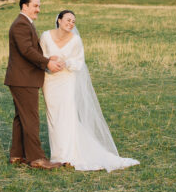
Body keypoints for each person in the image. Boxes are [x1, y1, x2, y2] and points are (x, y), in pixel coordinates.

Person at [39, 9, 139, 172]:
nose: (70, 23)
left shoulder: (76, 40)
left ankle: (66, 155)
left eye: (73, 22)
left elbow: (79, 62)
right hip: (50, 80)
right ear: (59, 20)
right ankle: (57, 153)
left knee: (67, 115)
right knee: (53, 116)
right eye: (68, 20)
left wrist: (66, 62)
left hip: (67, 79)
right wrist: (49, 62)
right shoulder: (45, 36)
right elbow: (40, 55)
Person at [4, 0, 67, 169]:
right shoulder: (21, 25)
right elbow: (26, 51)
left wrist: (47, 57)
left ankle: (16, 155)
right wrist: (46, 62)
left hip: (21, 78)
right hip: (23, 79)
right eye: (35, 6)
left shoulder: (24, 23)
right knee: (31, 119)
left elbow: (30, 50)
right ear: (24, 6)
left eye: (39, 6)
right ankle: (37, 159)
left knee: (21, 117)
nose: (38, 9)